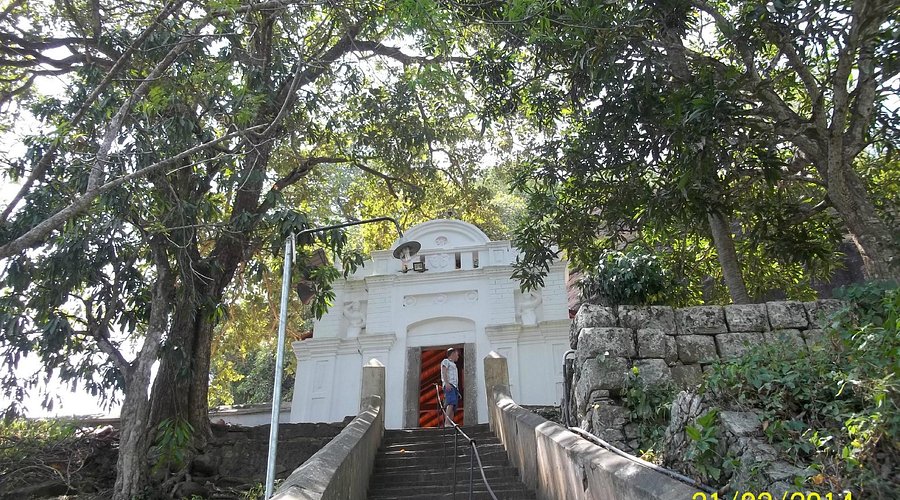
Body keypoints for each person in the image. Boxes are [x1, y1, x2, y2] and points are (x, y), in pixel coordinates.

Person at [440, 347, 461, 426]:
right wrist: (446, 383)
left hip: (454, 387)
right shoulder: (446, 361)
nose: (458, 356)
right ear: (453, 354)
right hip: (449, 384)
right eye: (457, 354)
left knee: (454, 405)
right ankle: (447, 422)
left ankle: (450, 422)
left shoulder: (454, 365)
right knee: (450, 402)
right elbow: (444, 372)